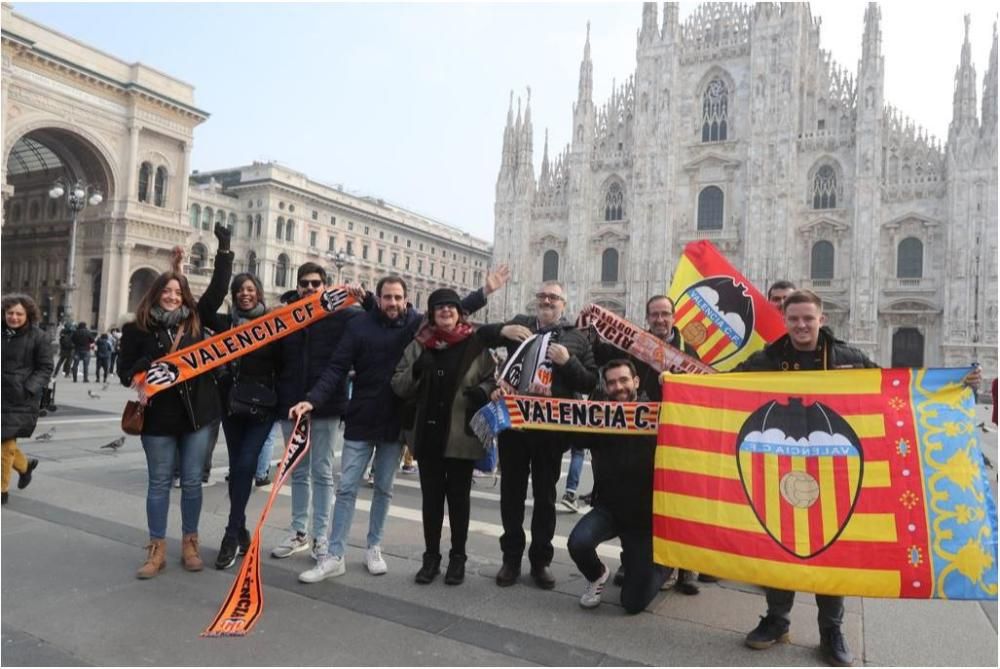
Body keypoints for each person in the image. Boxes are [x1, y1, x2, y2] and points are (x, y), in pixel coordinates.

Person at [292, 268, 507, 583]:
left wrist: (484, 292)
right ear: (378, 299)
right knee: (348, 486)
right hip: (363, 417)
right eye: (387, 297)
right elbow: (337, 366)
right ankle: (335, 555)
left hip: (397, 421)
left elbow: (449, 312)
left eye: (397, 297)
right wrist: (313, 399)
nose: (392, 302)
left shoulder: (415, 326)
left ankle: (374, 546)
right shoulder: (360, 325)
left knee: (384, 489)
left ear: (407, 302)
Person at [736, 289, 877, 667]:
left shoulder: (848, 359)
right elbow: (725, 389)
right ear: (785, 320)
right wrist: (680, 385)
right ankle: (777, 620)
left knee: (830, 550)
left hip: (834, 468)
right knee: (780, 543)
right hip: (779, 465)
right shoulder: (768, 359)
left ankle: (831, 630)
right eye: (794, 318)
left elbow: (891, 392)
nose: (800, 325)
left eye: (808, 319)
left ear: (821, 320)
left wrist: (954, 385)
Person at [478, 280, 597, 589]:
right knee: (511, 494)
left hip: (550, 431)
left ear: (563, 304)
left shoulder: (577, 338)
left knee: (545, 497)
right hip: (515, 427)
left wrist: (568, 363)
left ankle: (541, 561)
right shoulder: (519, 325)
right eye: (542, 295)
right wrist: (502, 332)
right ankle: (511, 559)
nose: (547, 300)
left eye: (554, 297)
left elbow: (590, 382)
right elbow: (480, 335)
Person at [117, 251, 224, 579]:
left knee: (192, 482)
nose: (172, 297)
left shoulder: (194, 319)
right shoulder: (137, 329)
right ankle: (157, 548)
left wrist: (224, 249)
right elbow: (124, 374)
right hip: (159, 417)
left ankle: (190, 542)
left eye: (177, 293)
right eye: (167, 291)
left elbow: (217, 291)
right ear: (156, 293)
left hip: (197, 415)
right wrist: (145, 363)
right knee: (159, 482)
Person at [592, 294, 707, 592]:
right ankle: (634, 560)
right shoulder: (638, 347)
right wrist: (594, 326)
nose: (659, 319)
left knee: (681, 500)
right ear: (647, 317)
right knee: (640, 500)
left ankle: (686, 567)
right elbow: (616, 369)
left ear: (674, 316)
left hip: (678, 436)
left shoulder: (688, 351)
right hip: (642, 437)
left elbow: (702, 389)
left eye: (664, 314)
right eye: (654, 314)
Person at [391, 288, 497, 585]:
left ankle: (458, 558)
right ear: (432, 314)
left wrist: (484, 392)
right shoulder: (419, 345)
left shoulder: (475, 346)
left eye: (451, 307)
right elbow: (398, 384)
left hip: (461, 436)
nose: (446, 312)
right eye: (440, 308)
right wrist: (416, 372)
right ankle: (431, 557)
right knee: (432, 501)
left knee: (459, 501)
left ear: (460, 312)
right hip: (427, 434)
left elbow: (492, 380)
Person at [269, 261, 372, 564]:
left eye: (316, 284)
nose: (310, 288)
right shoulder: (285, 317)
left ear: (325, 286)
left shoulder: (342, 315)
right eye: (305, 283)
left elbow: (374, 319)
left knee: (322, 471)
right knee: (297, 470)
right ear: (298, 285)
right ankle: (299, 531)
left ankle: (321, 536)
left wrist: (361, 297)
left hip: (326, 405)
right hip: (291, 403)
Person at [197, 223, 282, 569]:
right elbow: (205, 305)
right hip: (231, 405)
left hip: (262, 408)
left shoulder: (277, 323)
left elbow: (285, 366)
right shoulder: (223, 323)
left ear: (259, 293)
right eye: (239, 290)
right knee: (238, 468)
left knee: (246, 465)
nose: (245, 294)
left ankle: (231, 534)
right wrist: (225, 250)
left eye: (250, 289)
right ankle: (242, 529)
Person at [567, 359, 671, 611]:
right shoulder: (599, 417)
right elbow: (569, 434)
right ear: (605, 387)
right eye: (611, 382)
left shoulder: (659, 413)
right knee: (578, 543)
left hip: (644, 518)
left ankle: (666, 565)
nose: (618, 387)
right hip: (608, 510)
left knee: (633, 603)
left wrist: (673, 388)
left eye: (624, 380)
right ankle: (597, 575)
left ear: (635, 382)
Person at [1, 294, 52, 505]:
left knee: (5, 442)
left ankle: (2, 489)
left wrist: (28, 389)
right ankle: (24, 466)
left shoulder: (39, 337)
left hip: (19, 399)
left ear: (28, 315)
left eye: (19, 313)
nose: (14, 317)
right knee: (5, 441)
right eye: (10, 313)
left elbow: (45, 367)